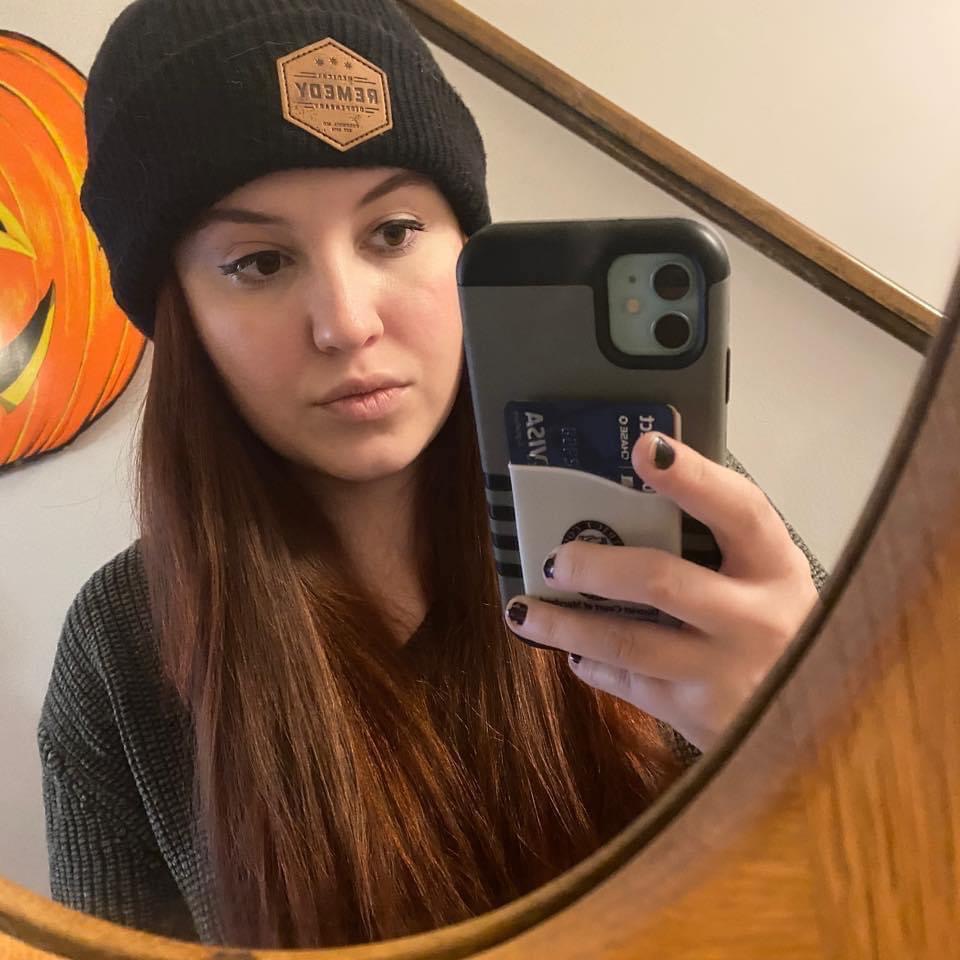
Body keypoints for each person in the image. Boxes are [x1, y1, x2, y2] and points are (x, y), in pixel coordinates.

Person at [37, 0, 825, 950]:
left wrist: (820, 742)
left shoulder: (674, 497)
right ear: (181, 316)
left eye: (394, 232)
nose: (346, 322)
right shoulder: (119, 655)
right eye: (259, 262)